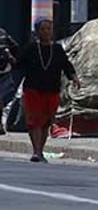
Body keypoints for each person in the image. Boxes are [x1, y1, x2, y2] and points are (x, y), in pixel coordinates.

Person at [9, 18, 80, 162]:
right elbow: (19, 64)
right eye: (43, 29)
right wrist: (10, 58)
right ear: (37, 32)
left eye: (49, 29)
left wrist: (74, 78)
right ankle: (36, 151)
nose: (46, 32)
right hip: (33, 90)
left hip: (52, 90)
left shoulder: (58, 49)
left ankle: (40, 150)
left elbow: (66, 65)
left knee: (46, 122)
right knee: (35, 120)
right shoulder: (31, 48)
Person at [0, 28, 20, 134]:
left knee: (3, 99)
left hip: (4, 72)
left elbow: (14, 47)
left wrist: (11, 58)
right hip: (5, 71)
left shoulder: (3, 33)